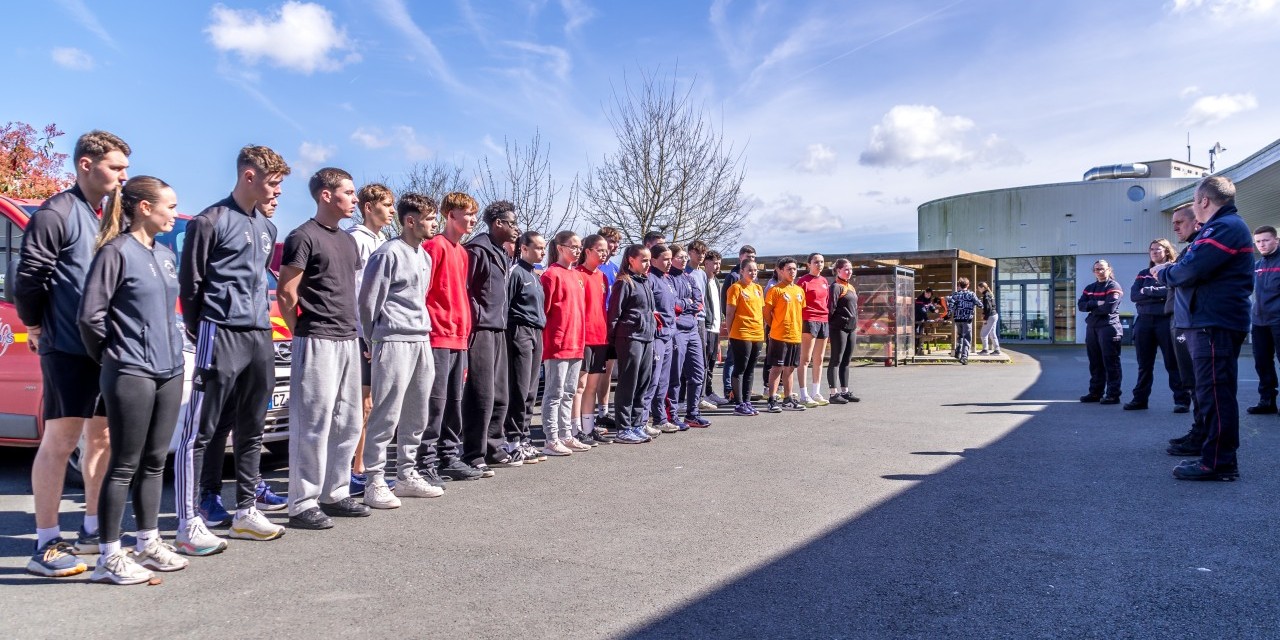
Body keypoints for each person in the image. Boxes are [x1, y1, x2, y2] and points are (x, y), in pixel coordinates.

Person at [17, 130, 129, 577]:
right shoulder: (55, 213)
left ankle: (91, 527)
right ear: (86, 164)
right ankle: (45, 543)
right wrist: (35, 324)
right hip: (65, 346)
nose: (124, 175)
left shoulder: (108, 214)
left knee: (100, 439)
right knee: (60, 441)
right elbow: (28, 278)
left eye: (125, 167)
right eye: (115, 167)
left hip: (105, 348)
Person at [175, 145, 287, 555]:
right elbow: (191, 284)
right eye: (272, 183)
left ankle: (246, 510)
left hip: (259, 333)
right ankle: (196, 508)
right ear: (249, 176)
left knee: (253, 423)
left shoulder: (266, 227)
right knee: (206, 428)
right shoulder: (211, 220)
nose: (276, 192)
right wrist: (199, 329)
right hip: (219, 331)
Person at [78, 176, 189, 584]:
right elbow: (90, 317)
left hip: (169, 369)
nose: (175, 215)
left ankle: (148, 542)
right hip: (130, 370)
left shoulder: (163, 254)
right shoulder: (115, 252)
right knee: (124, 463)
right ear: (144, 207)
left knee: (155, 461)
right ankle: (108, 555)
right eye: (171, 206)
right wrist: (114, 359)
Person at [278, 167, 368, 529]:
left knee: (348, 421)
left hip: (348, 337)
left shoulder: (347, 241)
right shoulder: (303, 236)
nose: (355, 199)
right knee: (313, 421)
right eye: (348, 192)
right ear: (326, 195)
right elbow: (286, 292)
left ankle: (336, 492)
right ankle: (302, 502)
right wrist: (300, 329)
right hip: (316, 337)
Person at [1153, 176, 1253, 481]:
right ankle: (1215, 454)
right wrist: (1176, 272)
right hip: (1210, 321)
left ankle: (1219, 462)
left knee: (1215, 393)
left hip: (1213, 322)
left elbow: (1190, 269)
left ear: (1204, 201)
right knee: (1211, 392)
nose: (1195, 209)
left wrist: (1165, 272)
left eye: (1195, 202)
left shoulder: (1224, 227)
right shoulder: (1223, 226)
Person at [356, 192, 443, 508]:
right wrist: (371, 340)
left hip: (421, 340)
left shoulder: (425, 256)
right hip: (391, 341)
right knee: (386, 412)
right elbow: (368, 303)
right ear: (410, 221)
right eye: (430, 219)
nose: (435, 224)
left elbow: (420, 297)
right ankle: (375, 481)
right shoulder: (387, 253)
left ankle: (406, 475)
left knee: (417, 410)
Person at [420, 193, 482, 482]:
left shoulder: (463, 252)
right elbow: (423, 291)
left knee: (454, 402)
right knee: (435, 402)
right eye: (465, 213)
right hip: (437, 336)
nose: (471, 219)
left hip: (459, 337)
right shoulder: (434, 246)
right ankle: (426, 461)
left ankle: (448, 456)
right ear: (450, 215)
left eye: (473, 214)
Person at [463, 200, 519, 471]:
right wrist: (478, 317)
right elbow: (467, 290)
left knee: (500, 393)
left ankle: (494, 448)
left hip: (499, 327)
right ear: (498, 224)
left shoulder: (501, 252)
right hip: (481, 329)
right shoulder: (477, 249)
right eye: (512, 223)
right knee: (481, 393)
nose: (516, 228)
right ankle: (474, 452)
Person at [347, 183, 392, 496]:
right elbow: (353, 290)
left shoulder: (384, 240)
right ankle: (355, 469)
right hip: (362, 333)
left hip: (382, 332)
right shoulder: (356, 239)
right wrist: (364, 335)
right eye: (386, 205)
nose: (391, 211)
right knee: (362, 404)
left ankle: (365, 466)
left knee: (374, 404)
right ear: (368, 206)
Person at [541, 231, 590, 455]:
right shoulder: (551, 275)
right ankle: (551, 439)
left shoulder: (578, 276)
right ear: (560, 248)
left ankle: (566, 434)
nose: (577, 251)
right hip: (558, 343)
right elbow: (545, 311)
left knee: (570, 391)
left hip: (576, 341)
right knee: (554, 393)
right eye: (573, 246)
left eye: (579, 247)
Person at [1125, 239, 1189, 411]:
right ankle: (1140, 400)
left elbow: (1171, 291)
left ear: (1166, 251)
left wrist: (1148, 291)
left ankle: (1181, 400)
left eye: (1158, 249)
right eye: (1151, 249)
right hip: (1144, 321)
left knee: (1172, 362)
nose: (1154, 252)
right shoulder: (1143, 273)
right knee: (1144, 364)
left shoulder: (1172, 271)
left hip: (1165, 321)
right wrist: (1157, 294)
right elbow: (1134, 295)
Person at [505, 232, 550, 462]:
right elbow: (505, 306)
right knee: (519, 389)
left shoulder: (535, 275)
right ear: (523, 248)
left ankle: (524, 438)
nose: (543, 252)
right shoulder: (516, 273)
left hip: (536, 332)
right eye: (538, 247)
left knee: (532, 390)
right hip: (519, 331)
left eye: (544, 248)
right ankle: (511, 441)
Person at [1164, 205, 1205, 455]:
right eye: (1173, 223)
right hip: (1181, 320)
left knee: (1202, 383)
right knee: (1190, 380)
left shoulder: (1201, 246)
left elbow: (1181, 276)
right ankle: (1199, 430)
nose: (1175, 227)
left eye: (1180, 222)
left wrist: (1167, 273)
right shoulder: (1189, 249)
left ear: (1196, 221)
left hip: (1196, 322)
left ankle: (1204, 437)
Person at [606, 245, 657, 444]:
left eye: (648, 260)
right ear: (631, 260)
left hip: (646, 337)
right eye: (643, 260)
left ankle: (637, 424)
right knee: (629, 383)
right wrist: (612, 340)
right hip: (630, 337)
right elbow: (614, 314)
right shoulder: (624, 283)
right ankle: (623, 427)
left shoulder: (645, 281)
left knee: (642, 382)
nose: (647, 264)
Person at [573, 234, 614, 445]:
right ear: (587, 251)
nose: (604, 253)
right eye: (599, 249)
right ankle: (575, 428)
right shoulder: (577, 274)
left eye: (605, 249)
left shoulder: (603, 277)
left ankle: (588, 428)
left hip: (601, 337)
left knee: (592, 385)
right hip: (583, 337)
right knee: (579, 385)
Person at [667, 244, 709, 428]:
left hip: (693, 329)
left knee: (698, 372)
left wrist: (685, 304)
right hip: (677, 329)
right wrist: (686, 303)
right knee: (675, 374)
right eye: (680, 257)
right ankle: (672, 414)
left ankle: (692, 413)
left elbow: (699, 304)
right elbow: (672, 304)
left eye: (685, 257)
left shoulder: (690, 278)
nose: (684, 260)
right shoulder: (667, 279)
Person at [642, 244, 679, 433]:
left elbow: (675, 304)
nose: (669, 262)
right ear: (654, 259)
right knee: (653, 380)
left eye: (670, 259)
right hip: (657, 335)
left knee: (663, 380)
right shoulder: (650, 279)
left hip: (669, 335)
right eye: (665, 259)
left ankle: (660, 418)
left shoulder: (667, 279)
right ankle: (642, 421)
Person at [1077, 261, 1124, 404]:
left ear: (1109, 270)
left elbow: (1109, 308)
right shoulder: (1089, 288)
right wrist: (1097, 303)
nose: (1099, 271)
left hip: (1109, 327)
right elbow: (1080, 306)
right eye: (1096, 269)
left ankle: (1113, 394)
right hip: (1092, 328)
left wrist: (1091, 306)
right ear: (1093, 271)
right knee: (1095, 362)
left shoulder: (1113, 286)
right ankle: (1095, 393)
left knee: (1111, 362)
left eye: (1102, 269)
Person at [764, 258, 806, 413]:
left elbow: (799, 311)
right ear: (780, 271)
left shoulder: (799, 291)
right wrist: (774, 326)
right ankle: (772, 399)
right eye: (789, 269)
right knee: (777, 367)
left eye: (794, 269)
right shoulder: (775, 290)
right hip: (779, 335)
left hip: (795, 335)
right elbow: (767, 313)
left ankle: (788, 399)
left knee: (790, 368)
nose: (792, 272)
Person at [724, 258, 764, 416]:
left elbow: (760, 310)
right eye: (749, 270)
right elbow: (729, 312)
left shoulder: (758, 289)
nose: (753, 273)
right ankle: (739, 403)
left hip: (757, 333)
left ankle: (747, 401)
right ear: (742, 271)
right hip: (741, 332)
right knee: (740, 367)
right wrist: (730, 332)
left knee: (750, 369)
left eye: (755, 270)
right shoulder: (735, 288)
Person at [1247, 225, 1280, 415]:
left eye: (1266, 240)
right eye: (1258, 242)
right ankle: (1267, 401)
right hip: (1259, 322)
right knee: (1262, 362)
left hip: (1278, 320)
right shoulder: (1257, 266)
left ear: (1276, 240)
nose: (1262, 244)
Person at [719, 245, 756, 403]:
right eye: (748, 255)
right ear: (740, 256)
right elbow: (727, 304)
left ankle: (742, 390)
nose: (751, 258)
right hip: (737, 327)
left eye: (753, 256)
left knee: (744, 363)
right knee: (732, 360)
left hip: (752, 330)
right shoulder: (734, 277)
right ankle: (730, 390)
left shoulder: (755, 285)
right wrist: (730, 325)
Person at [595, 226, 623, 429]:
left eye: (616, 243)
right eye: (610, 241)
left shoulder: (614, 268)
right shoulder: (592, 267)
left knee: (607, 371)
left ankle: (603, 411)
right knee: (592, 373)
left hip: (611, 326)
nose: (613, 246)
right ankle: (583, 415)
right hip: (596, 326)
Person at [796, 253, 831, 406]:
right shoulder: (803, 282)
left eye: (822, 262)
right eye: (816, 262)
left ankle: (815, 392)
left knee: (819, 358)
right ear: (808, 264)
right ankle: (803, 395)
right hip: (808, 320)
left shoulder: (824, 281)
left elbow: (826, 301)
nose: (819, 264)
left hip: (823, 320)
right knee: (805, 359)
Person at [827, 259, 859, 403]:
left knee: (846, 361)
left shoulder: (850, 287)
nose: (849, 272)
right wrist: (828, 329)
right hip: (838, 328)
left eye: (851, 269)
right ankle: (833, 393)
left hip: (851, 328)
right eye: (846, 269)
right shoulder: (836, 287)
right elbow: (830, 309)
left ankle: (845, 391)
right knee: (836, 360)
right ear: (838, 270)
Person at [700, 250, 726, 406]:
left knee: (711, 361)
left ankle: (709, 391)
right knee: (704, 361)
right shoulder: (702, 279)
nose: (717, 266)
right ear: (706, 263)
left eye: (719, 263)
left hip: (715, 327)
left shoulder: (716, 281)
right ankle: (702, 394)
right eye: (714, 263)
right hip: (707, 326)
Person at [948, 278, 981, 365]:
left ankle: (958, 351)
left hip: (958, 319)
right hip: (967, 319)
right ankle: (964, 357)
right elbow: (979, 304)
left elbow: (951, 306)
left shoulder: (955, 294)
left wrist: (949, 314)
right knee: (967, 337)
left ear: (959, 285)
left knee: (960, 335)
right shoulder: (971, 294)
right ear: (968, 285)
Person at [976, 282, 1001, 355]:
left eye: (979, 288)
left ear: (983, 288)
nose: (978, 290)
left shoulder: (986, 296)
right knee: (992, 334)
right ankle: (997, 350)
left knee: (983, 334)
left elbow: (988, 308)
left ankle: (985, 350)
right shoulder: (990, 294)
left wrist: (985, 318)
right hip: (994, 315)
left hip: (990, 316)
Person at [914, 288, 936, 353]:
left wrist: (934, 309)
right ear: (924, 292)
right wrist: (927, 319)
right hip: (916, 318)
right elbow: (922, 310)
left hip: (922, 319)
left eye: (930, 294)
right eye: (927, 293)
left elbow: (930, 306)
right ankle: (916, 347)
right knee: (916, 332)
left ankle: (920, 347)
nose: (928, 295)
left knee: (921, 332)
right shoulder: (919, 299)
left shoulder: (928, 300)